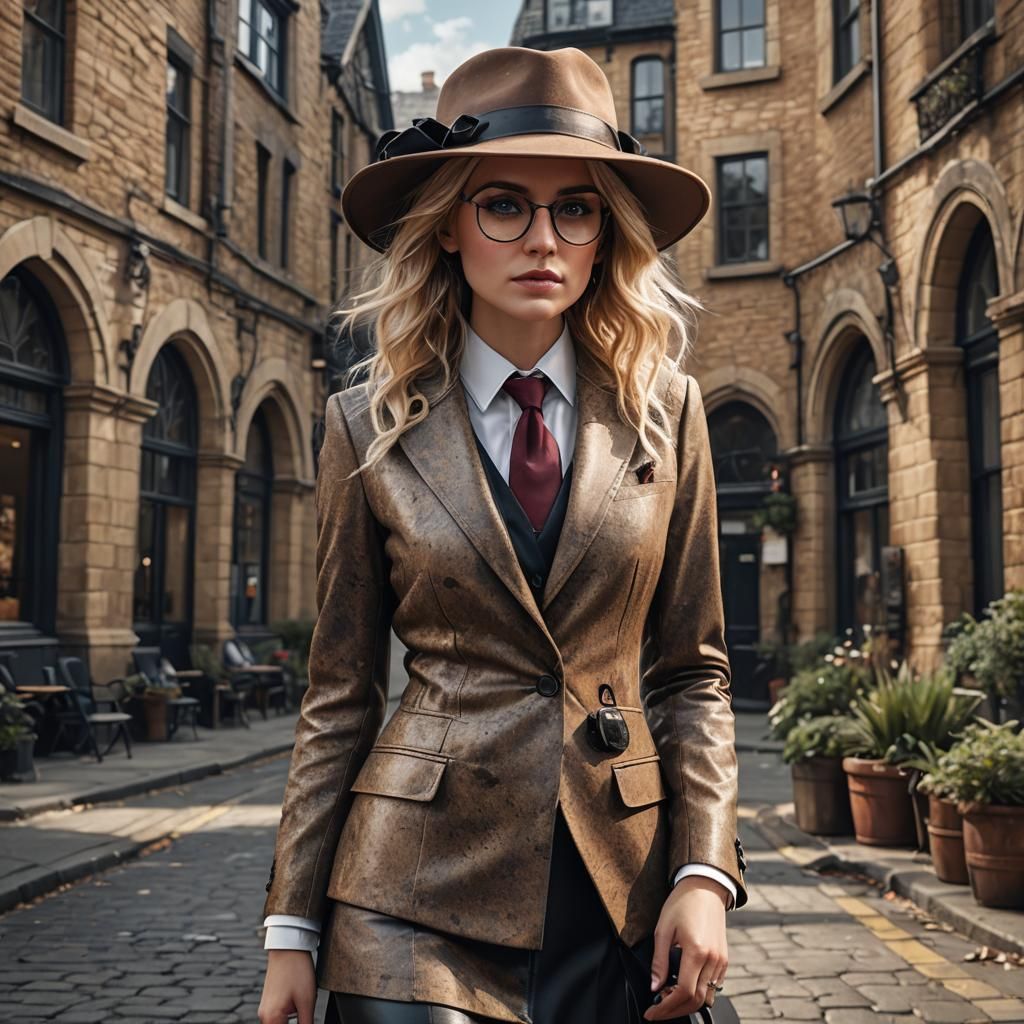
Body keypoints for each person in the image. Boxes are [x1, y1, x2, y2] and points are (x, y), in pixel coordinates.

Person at [258, 45, 748, 1024]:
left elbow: (693, 673)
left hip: (619, 882)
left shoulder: (669, 413)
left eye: (576, 209)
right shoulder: (364, 423)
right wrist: (290, 927)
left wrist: (703, 870)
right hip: (409, 893)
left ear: (605, 234)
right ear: (447, 225)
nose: (544, 240)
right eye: (504, 206)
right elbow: (340, 694)